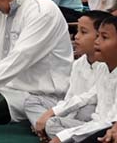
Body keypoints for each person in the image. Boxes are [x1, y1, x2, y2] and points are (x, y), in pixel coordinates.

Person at [29, 13, 117, 143]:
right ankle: (45, 127)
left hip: (103, 127)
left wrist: (63, 136)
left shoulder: (101, 66)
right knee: (48, 118)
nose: (97, 42)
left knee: (87, 115)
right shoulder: (102, 68)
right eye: (98, 36)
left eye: (104, 37)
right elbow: (82, 96)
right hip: (95, 125)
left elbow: (109, 122)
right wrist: (53, 114)